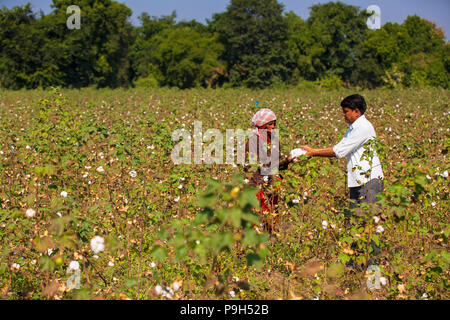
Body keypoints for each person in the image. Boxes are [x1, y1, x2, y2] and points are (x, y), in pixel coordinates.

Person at [300, 94, 384, 267]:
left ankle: (372, 274)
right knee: (355, 225)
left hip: (368, 182)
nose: (343, 115)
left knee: (368, 228)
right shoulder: (354, 126)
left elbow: (339, 151)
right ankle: (355, 268)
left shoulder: (363, 128)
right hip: (359, 181)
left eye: (346, 112)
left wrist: (312, 152)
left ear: (356, 111)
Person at [243, 108, 295, 234]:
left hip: (272, 183)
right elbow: (259, 165)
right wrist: (282, 162)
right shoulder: (253, 141)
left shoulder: (274, 140)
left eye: (274, 124)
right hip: (256, 184)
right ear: (261, 125)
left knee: (272, 212)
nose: (272, 127)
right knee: (257, 215)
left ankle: (272, 240)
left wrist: (288, 160)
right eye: (269, 124)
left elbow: (276, 162)